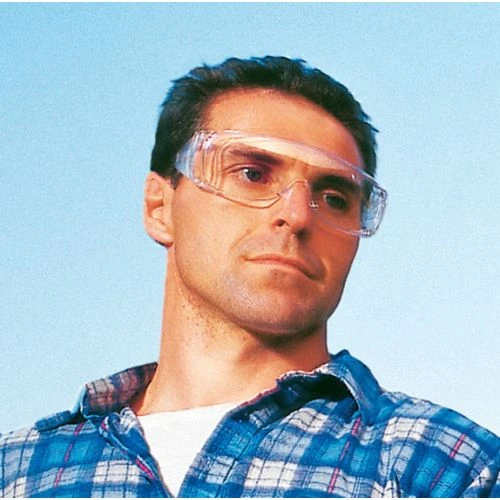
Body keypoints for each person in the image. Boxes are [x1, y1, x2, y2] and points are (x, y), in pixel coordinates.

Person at [1, 56, 498, 498]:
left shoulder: (448, 467)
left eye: (333, 198)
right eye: (253, 174)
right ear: (160, 207)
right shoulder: (18, 470)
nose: (297, 215)